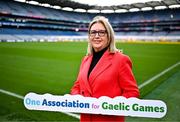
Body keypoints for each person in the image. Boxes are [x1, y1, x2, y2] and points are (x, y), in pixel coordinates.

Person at [71, 16, 139, 122]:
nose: (96, 36)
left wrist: (110, 106)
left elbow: (132, 92)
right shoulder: (85, 60)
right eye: (93, 32)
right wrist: (77, 98)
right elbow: (77, 86)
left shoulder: (121, 60)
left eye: (101, 32)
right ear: (89, 36)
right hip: (86, 119)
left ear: (109, 36)